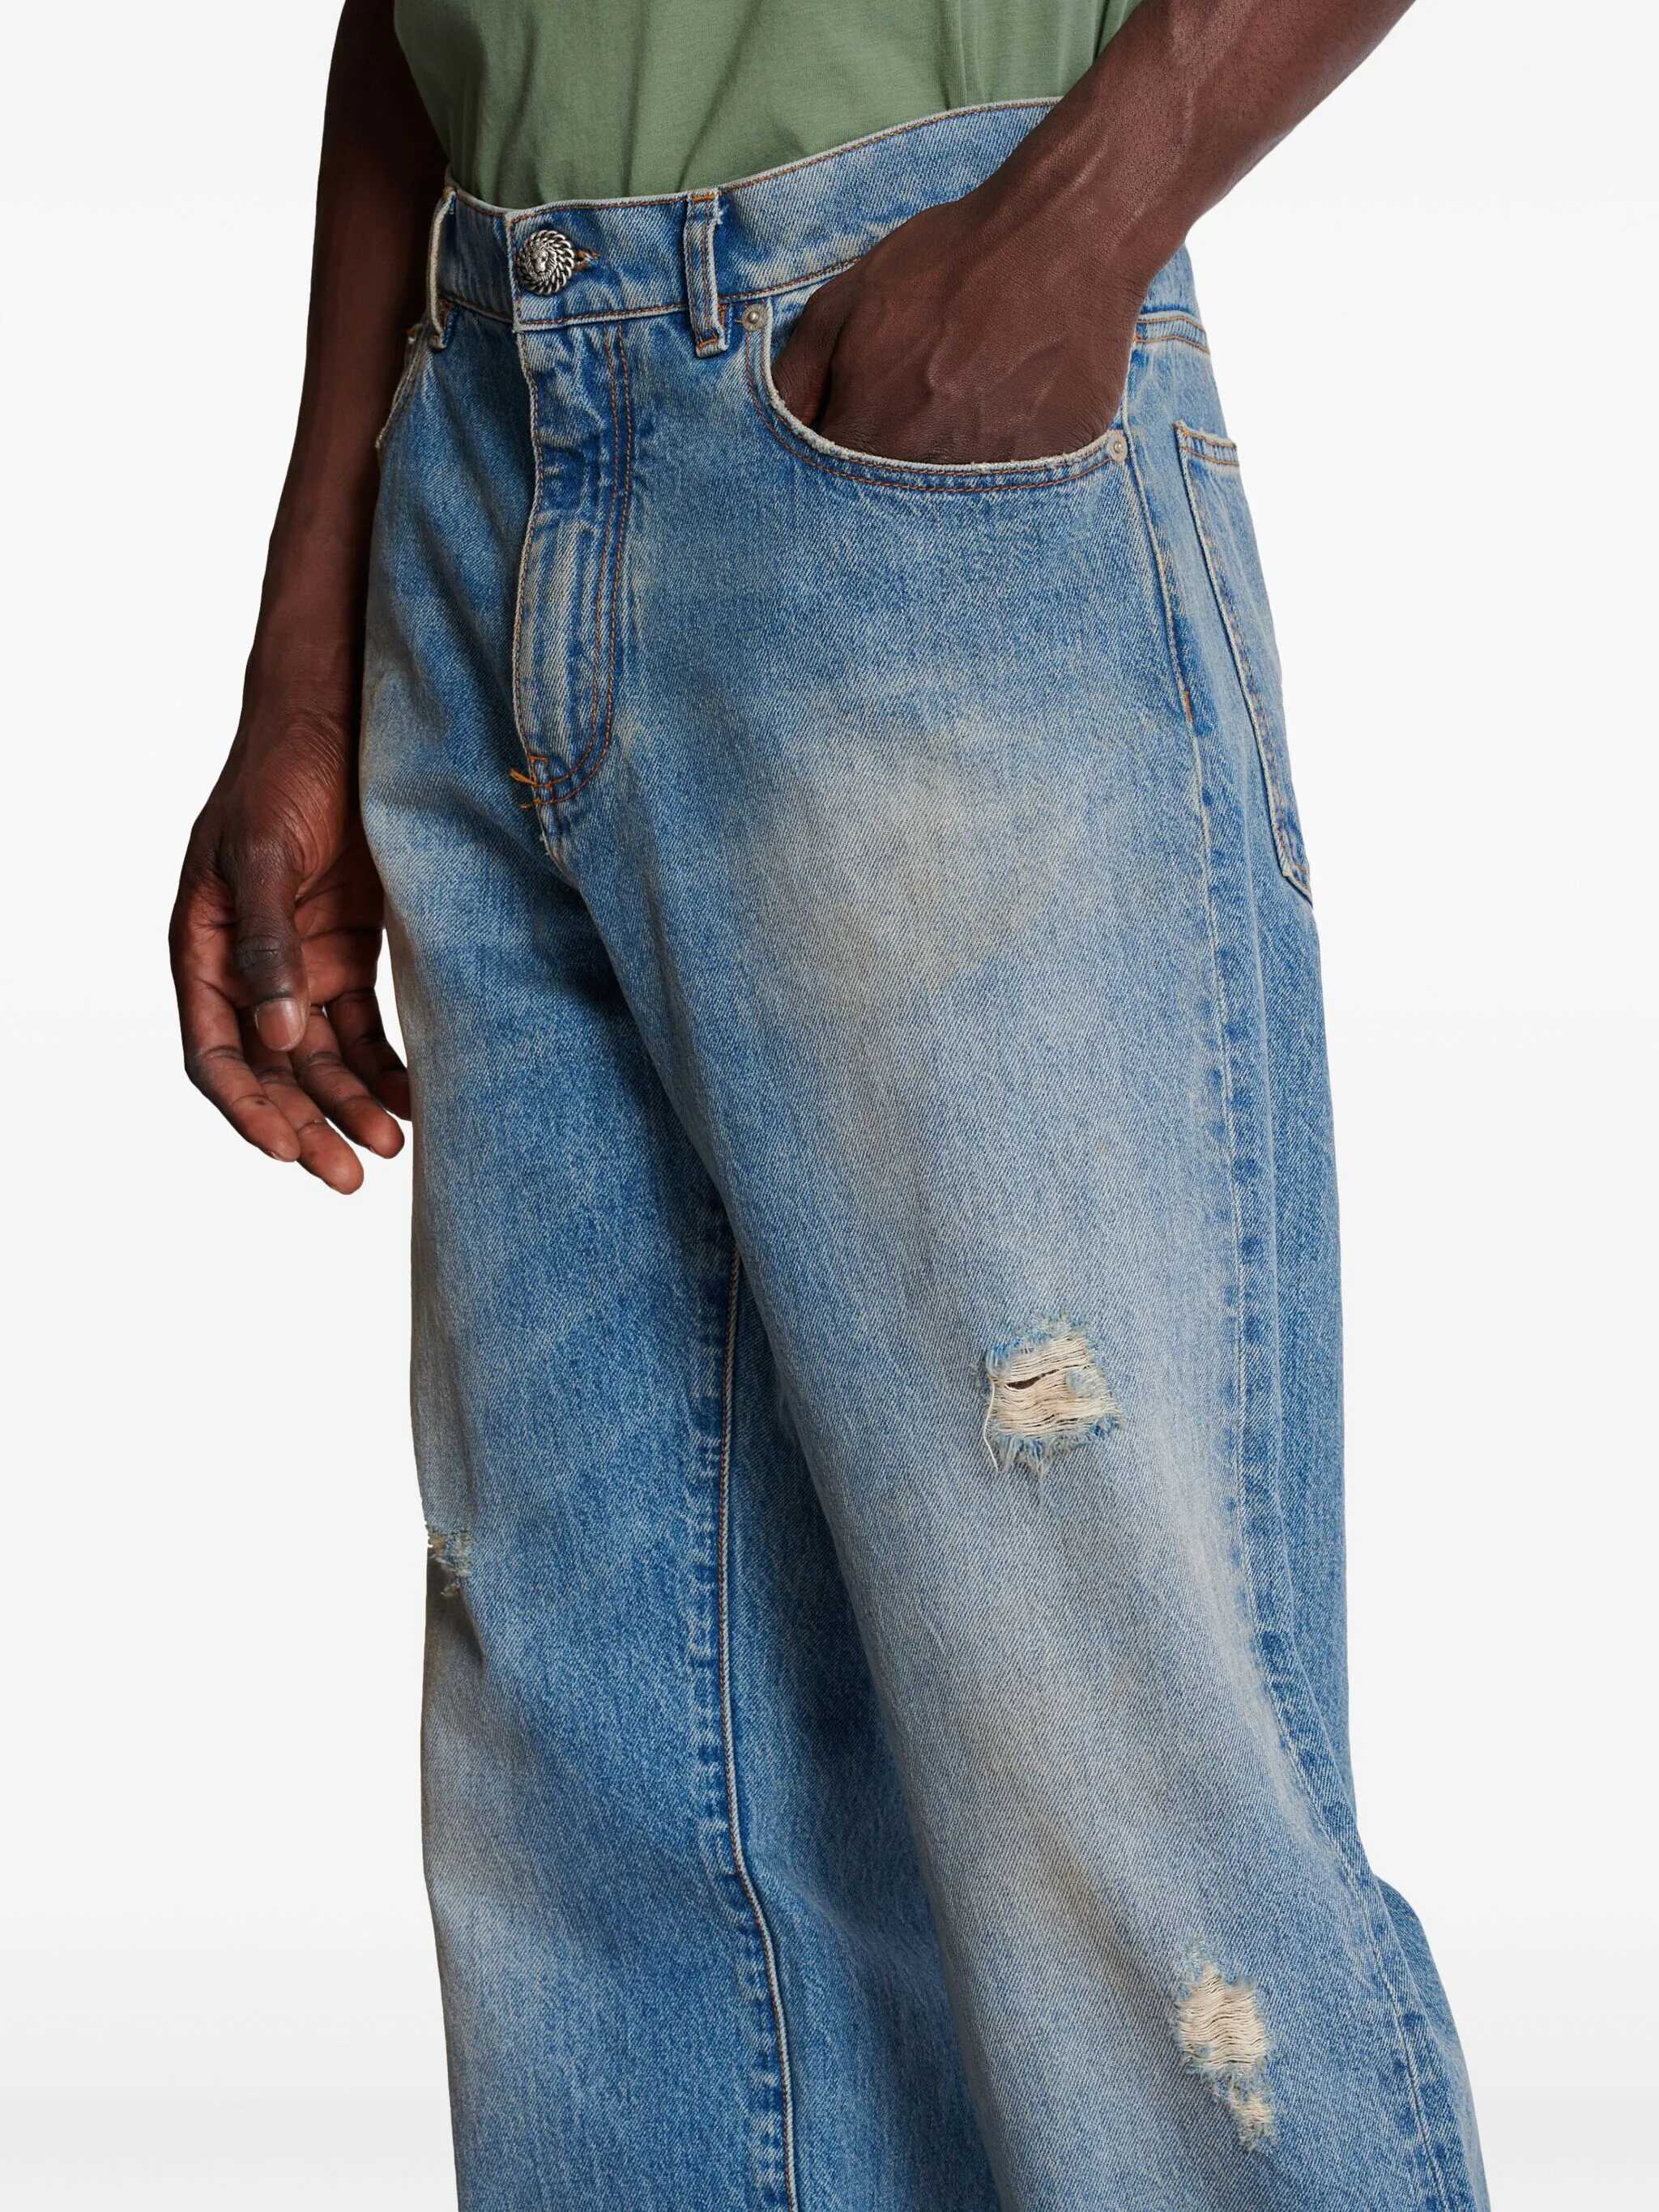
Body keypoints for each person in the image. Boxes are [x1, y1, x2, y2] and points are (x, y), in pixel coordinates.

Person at [169, 2, 1488, 2205]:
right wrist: (310, 626)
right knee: (608, 1786)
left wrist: (1067, 236)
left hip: (888, 390)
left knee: (1118, 1795)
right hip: (478, 429)